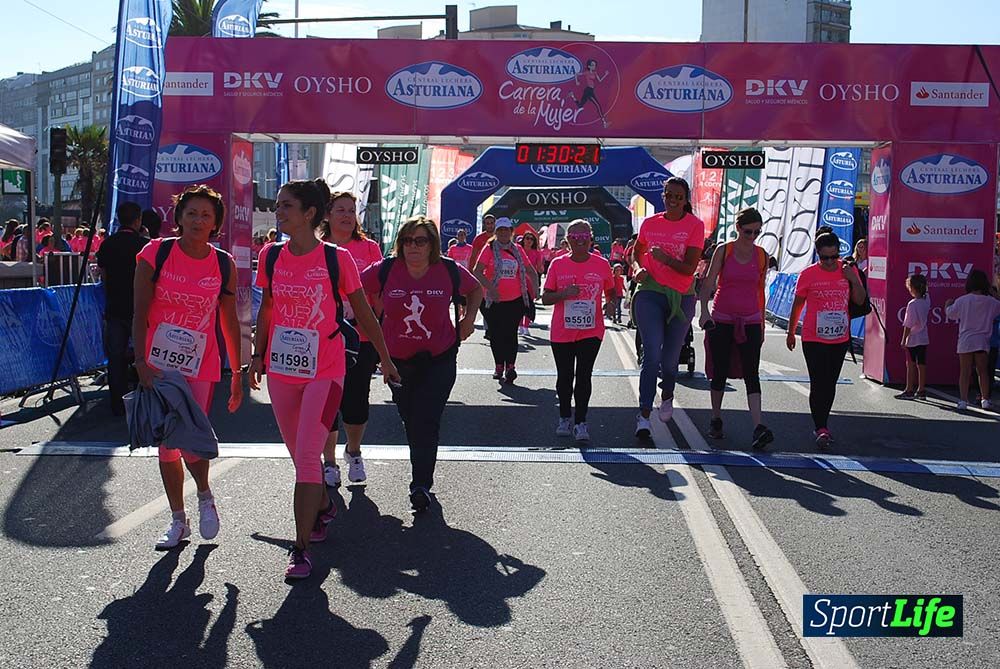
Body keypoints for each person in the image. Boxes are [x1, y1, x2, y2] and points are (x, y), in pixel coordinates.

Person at [250, 180, 398, 580]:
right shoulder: (270, 255)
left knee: (308, 458)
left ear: (310, 213)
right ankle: (323, 507)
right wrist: (257, 355)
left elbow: (365, 314)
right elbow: (267, 308)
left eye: (286, 206)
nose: (279, 212)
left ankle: (300, 550)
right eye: (279, 205)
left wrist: (384, 358)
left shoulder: (337, 259)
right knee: (301, 457)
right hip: (282, 370)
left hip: (326, 370)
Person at [132, 185, 244, 550]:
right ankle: (178, 520)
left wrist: (237, 373)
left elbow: (228, 320)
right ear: (178, 217)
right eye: (192, 213)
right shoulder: (156, 253)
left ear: (215, 224)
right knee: (167, 444)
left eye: (206, 216)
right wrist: (140, 361)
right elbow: (138, 312)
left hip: (201, 364)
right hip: (159, 363)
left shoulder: (223, 262)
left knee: (191, 436)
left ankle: (205, 495)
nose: (198, 220)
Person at [361, 216, 483, 511]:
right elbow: (351, 287)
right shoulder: (386, 269)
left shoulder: (448, 270)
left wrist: (468, 320)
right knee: (410, 417)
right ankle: (422, 472)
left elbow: (476, 289)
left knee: (426, 420)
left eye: (420, 241)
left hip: (439, 358)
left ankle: (421, 484)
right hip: (397, 361)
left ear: (432, 245)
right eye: (407, 240)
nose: (412, 247)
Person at [319, 189, 384, 489]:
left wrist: (376, 324)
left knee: (357, 398)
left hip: (361, 337)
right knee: (326, 399)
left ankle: (354, 452)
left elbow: (378, 293)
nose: (346, 215)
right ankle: (328, 462)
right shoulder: (317, 247)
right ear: (328, 215)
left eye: (350, 210)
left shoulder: (369, 248)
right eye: (340, 210)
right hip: (322, 338)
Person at [630, 177, 704, 439]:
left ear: (686, 200)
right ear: (663, 196)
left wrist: (666, 258)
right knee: (651, 353)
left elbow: (688, 269)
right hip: (650, 291)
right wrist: (638, 269)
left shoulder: (695, 226)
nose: (672, 200)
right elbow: (636, 252)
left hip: (682, 296)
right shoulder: (650, 223)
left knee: (670, 360)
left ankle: (668, 393)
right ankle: (643, 415)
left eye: (678, 197)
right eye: (668, 195)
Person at [697, 207, 773, 449]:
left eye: (757, 232)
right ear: (738, 228)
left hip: (750, 318)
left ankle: (758, 426)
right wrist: (704, 312)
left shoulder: (761, 255)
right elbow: (709, 283)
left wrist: (761, 324)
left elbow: (760, 291)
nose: (752, 237)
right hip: (722, 318)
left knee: (752, 371)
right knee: (719, 370)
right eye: (748, 232)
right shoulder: (725, 250)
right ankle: (716, 418)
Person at [786, 231, 866, 449]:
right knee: (818, 381)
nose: (830, 262)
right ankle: (820, 427)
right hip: (814, 337)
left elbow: (859, 299)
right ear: (818, 254)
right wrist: (791, 332)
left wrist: (852, 279)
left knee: (830, 384)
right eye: (825, 258)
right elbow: (798, 304)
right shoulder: (808, 274)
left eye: (833, 257)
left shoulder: (848, 270)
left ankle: (823, 422)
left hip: (839, 337)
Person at [542, 220, 615, 443]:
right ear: (567, 241)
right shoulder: (557, 264)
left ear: (590, 239)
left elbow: (611, 292)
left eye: (583, 237)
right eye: (574, 237)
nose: (579, 241)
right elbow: (545, 298)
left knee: (584, 375)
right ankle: (565, 417)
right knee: (565, 377)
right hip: (562, 331)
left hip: (591, 331)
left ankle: (581, 421)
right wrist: (564, 294)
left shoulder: (602, 264)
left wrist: (610, 303)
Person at [96, 202, 150, 416]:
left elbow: (104, 274)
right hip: (142, 308)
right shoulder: (145, 245)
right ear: (138, 221)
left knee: (115, 357)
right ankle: (147, 399)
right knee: (145, 356)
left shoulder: (108, 244)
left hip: (115, 307)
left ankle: (117, 403)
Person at [473, 217, 538, 384]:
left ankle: (510, 366)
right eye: (500, 230)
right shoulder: (489, 248)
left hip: (515, 299)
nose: (503, 233)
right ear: (496, 232)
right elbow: (478, 271)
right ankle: (498, 366)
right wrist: (491, 288)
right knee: (496, 335)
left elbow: (530, 270)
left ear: (511, 232)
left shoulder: (517, 250)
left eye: (506, 230)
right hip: (493, 301)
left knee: (510, 334)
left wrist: (535, 291)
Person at [944, 269, 1000, 411]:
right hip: (982, 341)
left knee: (965, 371)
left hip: (966, 339)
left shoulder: (963, 300)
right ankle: (985, 399)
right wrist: (996, 295)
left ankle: (963, 401)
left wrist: (947, 305)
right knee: (983, 372)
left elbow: (951, 314)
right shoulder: (991, 302)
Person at [897, 273, 930, 401]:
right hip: (923, 337)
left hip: (913, 338)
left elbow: (908, 324)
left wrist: (903, 339)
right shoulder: (927, 300)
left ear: (913, 288)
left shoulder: (912, 304)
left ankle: (909, 389)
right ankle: (921, 389)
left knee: (910, 364)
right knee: (921, 364)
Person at [518, 230, 544, 336]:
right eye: (527, 238)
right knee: (519, 304)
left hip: (531, 281)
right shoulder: (518, 250)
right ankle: (520, 325)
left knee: (529, 304)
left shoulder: (537, 253)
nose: (529, 241)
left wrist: (542, 266)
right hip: (519, 280)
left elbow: (539, 269)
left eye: (531, 239)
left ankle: (526, 326)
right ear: (523, 240)